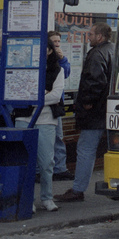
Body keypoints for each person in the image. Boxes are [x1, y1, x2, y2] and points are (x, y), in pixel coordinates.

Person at [56, 22, 113, 203]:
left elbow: (95, 81)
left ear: (100, 37)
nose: (88, 38)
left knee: (85, 149)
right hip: (111, 109)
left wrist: (87, 102)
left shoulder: (97, 54)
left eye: (91, 35)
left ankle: (78, 189)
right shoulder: (114, 50)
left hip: (96, 112)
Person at [13, 32, 66, 212]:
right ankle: (28, 198)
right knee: (25, 160)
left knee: (46, 162)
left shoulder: (57, 70)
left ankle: (47, 198)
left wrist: (35, 98)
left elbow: (56, 96)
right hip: (23, 117)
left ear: (50, 51)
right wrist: (41, 96)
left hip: (46, 119)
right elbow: (18, 92)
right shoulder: (22, 67)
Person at [50, 31, 74, 181]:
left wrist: (63, 59)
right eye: (54, 42)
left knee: (59, 136)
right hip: (48, 102)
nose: (57, 44)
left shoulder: (60, 59)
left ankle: (60, 168)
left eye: (59, 41)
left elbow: (66, 74)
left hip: (58, 102)